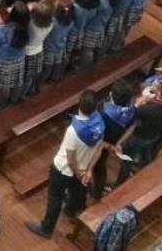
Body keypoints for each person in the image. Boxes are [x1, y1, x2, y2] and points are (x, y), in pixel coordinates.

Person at [26, 90, 104, 238]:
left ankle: (46, 229)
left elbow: (70, 159)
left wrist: (77, 172)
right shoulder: (100, 123)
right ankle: (70, 212)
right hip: (84, 168)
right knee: (77, 192)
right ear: (96, 107)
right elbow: (99, 148)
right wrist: (88, 171)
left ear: (79, 104)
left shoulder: (73, 130)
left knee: (55, 199)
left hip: (64, 170)